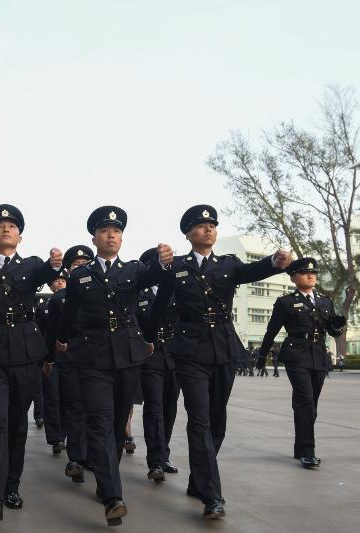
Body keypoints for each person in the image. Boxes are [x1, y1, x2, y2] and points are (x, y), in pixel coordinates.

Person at [155, 204, 290, 519]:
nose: (209, 230)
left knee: (218, 422)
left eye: (213, 225)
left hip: (224, 350)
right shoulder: (175, 267)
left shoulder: (228, 264)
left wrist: (275, 262)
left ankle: (197, 479)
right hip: (189, 353)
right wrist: (149, 341)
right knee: (199, 421)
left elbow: (252, 272)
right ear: (188, 233)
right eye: (201, 226)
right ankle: (212, 496)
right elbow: (159, 306)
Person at [55, 206, 172, 526]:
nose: (111, 235)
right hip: (93, 359)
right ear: (94, 238)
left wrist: (163, 262)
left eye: (117, 231)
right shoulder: (80, 275)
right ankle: (112, 495)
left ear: (122, 237)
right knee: (100, 422)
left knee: (119, 424)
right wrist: (62, 340)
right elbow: (69, 313)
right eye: (105, 231)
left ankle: (108, 477)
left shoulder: (134, 270)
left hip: (128, 357)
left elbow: (156, 275)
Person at [0, 204, 62, 521]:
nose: (6, 229)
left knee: (17, 422)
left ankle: (12, 485)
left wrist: (54, 265)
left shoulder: (33, 265)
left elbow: (47, 273)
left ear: (20, 236)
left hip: (25, 353)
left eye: (12, 226)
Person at [257, 258, 346, 469]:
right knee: (304, 401)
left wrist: (337, 328)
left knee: (312, 406)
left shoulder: (325, 301)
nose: (311, 276)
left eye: (314, 273)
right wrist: (262, 356)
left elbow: (332, 330)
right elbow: (272, 330)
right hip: (296, 355)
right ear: (294, 277)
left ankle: (300, 446)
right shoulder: (286, 302)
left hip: (319, 356)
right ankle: (308, 451)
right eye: (305, 273)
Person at [45, 244, 94, 484]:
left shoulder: (103, 291)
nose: (80, 269)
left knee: (95, 410)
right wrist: (49, 359)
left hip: (99, 357)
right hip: (70, 357)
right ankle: (76, 458)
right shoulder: (59, 299)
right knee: (74, 407)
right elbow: (52, 332)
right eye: (76, 266)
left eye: (85, 265)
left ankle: (93, 455)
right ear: (68, 270)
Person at [136, 247, 181, 483]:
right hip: (150, 357)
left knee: (170, 406)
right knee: (154, 407)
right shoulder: (139, 295)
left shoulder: (175, 291)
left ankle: (164, 455)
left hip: (173, 356)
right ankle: (155, 461)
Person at [34, 270, 68, 454]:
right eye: (57, 280)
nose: (61, 283)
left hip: (73, 357)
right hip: (51, 358)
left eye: (64, 280)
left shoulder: (76, 304)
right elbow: (39, 334)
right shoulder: (43, 308)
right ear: (50, 285)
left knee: (69, 398)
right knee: (52, 397)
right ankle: (56, 438)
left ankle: (65, 434)